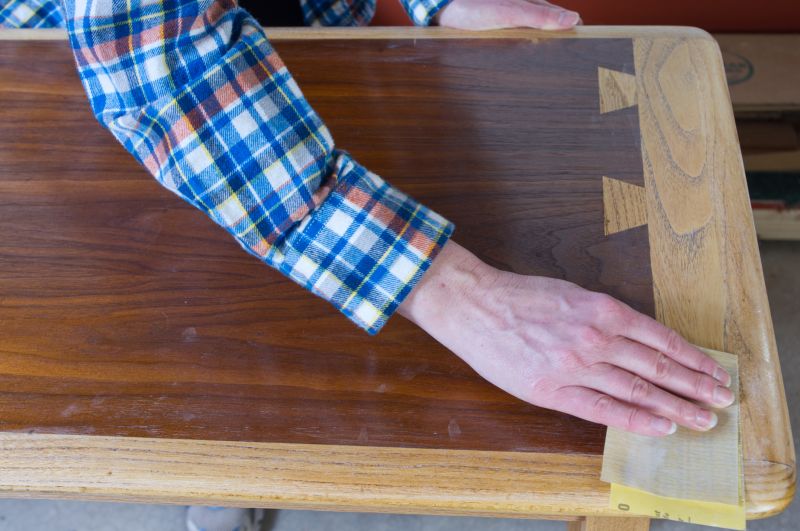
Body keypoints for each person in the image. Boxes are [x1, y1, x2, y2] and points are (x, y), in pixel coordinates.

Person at [1, 1, 735, 530]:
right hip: (76, 84)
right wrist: (457, 290)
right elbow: (166, 72)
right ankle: (231, 470)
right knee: (201, 341)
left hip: (309, 46)